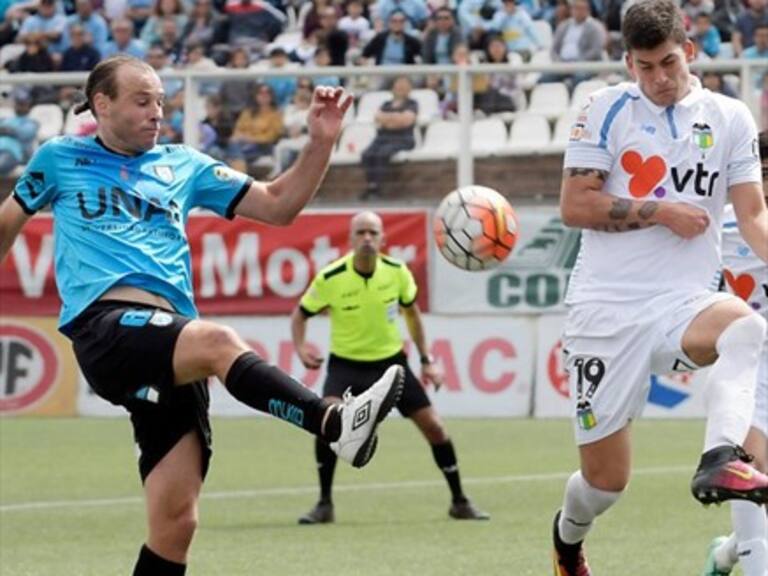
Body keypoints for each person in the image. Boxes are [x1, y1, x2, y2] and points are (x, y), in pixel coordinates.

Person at [0, 55, 404, 576]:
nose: (156, 112)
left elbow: (279, 205)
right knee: (218, 342)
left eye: (161, 101)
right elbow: (9, 221)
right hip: (107, 331)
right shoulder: (59, 157)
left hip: (170, 346)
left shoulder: (183, 164)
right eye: (142, 100)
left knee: (176, 527)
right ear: (102, 104)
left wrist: (321, 142)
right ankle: (331, 420)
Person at [552, 2, 768, 575]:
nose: (659, 78)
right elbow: (575, 205)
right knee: (605, 484)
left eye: (668, 62)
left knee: (748, 329)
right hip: (605, 309)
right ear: (628, 63)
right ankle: (567, 540)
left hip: (683, 300)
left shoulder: (729, 117)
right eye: (645, 67)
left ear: (689, 50)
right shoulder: (603, 108)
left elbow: (752, 216)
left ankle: (720, 457)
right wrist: (660, 211)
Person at [292, 211, 490, 525]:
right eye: (361, 233)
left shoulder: (398, 272)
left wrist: (426, 360)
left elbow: (412, 316)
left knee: (435, 427)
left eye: (373, 232)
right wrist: (301, 348)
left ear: (383, 239)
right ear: (351, 239)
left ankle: (459, 501)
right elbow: (300, 315)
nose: (367, 238)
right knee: (326, 422)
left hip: (391, 365)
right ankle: (324, 504)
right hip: (346, 366)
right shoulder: (330, 278)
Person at [700, 130, 768, 576]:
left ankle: (724, 554)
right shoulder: (720, 224)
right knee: (749, 465)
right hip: (750, 362)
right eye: (759, 172)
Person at [360, 75, 418, 199]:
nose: (401, 87)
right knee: (367, 154)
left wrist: (388, 119)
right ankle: (370, 185)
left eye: (404, 84)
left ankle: (376, 187)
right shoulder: (386, 103)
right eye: (398, 84)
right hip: (382, 138)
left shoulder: (412, 104)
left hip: (403, 138)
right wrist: (397, 119)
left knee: (382, 153)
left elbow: (407, 121)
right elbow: (378, 118)